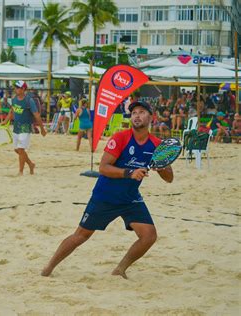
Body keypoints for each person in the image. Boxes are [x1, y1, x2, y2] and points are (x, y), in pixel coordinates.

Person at [41, 100, 174, 279]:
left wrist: (162, 168)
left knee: (149, 236)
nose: (137, 115)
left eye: (142, 112)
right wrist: (129, 173)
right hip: (105, 196)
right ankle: (48, 267)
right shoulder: (121, 138)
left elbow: (169, 179)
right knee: (81, 236)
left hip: (130, 199)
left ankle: (120, 269)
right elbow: (103, 168)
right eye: (134, 112)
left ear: (152, 117)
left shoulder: (157, 144)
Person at [1, 80, 47, 175]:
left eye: (18, 87)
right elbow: (12, 111)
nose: (16, 89)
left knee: (21, 149)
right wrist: (5, 121)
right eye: (16, 87)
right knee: (17, 150)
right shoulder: (14, 99)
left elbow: (37, 115)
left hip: (25, 127)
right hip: (16, 127)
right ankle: (30, 164)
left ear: (23, 89)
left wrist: (42, 129)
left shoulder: (29, 100)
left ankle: (20, 171)